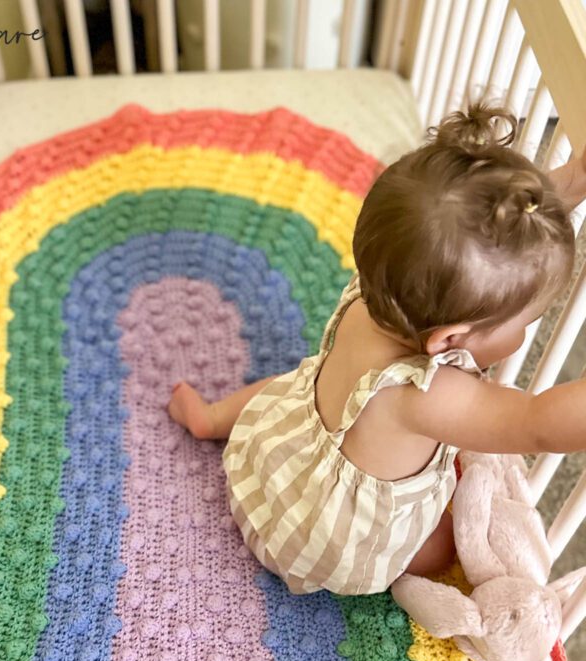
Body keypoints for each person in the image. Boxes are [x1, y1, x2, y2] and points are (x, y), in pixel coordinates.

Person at [167, 102, 586, 596]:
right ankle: (387, 561)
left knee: (294, 383)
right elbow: (537, 424)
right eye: (527, 322)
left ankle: (213, 418)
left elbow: (488, 245)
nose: (525, 333)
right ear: (449, 340)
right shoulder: (427, 396)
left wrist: (575, 177)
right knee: (445, 547)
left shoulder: (381, 292)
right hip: (317, 540)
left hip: (272, 456)